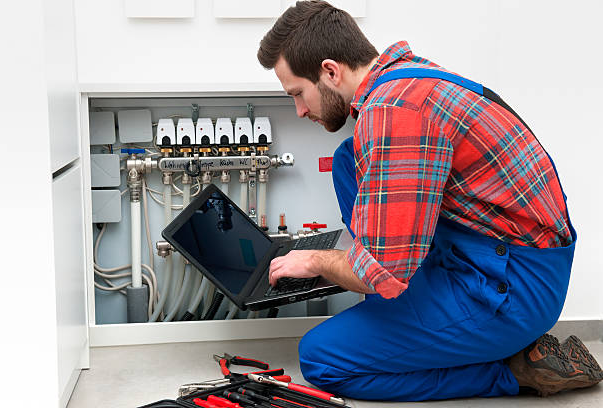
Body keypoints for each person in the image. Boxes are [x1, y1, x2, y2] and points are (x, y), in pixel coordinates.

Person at [257, 0, 602, 401]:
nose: (299, 110)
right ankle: (412, 305)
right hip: (495, 255)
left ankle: (514, 369)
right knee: (348, 160)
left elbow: (379, 270)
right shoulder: (404, 78)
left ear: (330, 71)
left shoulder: (393, 112)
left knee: (321, 358)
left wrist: (318, 261)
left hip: (512, 289)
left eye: (298, 93)